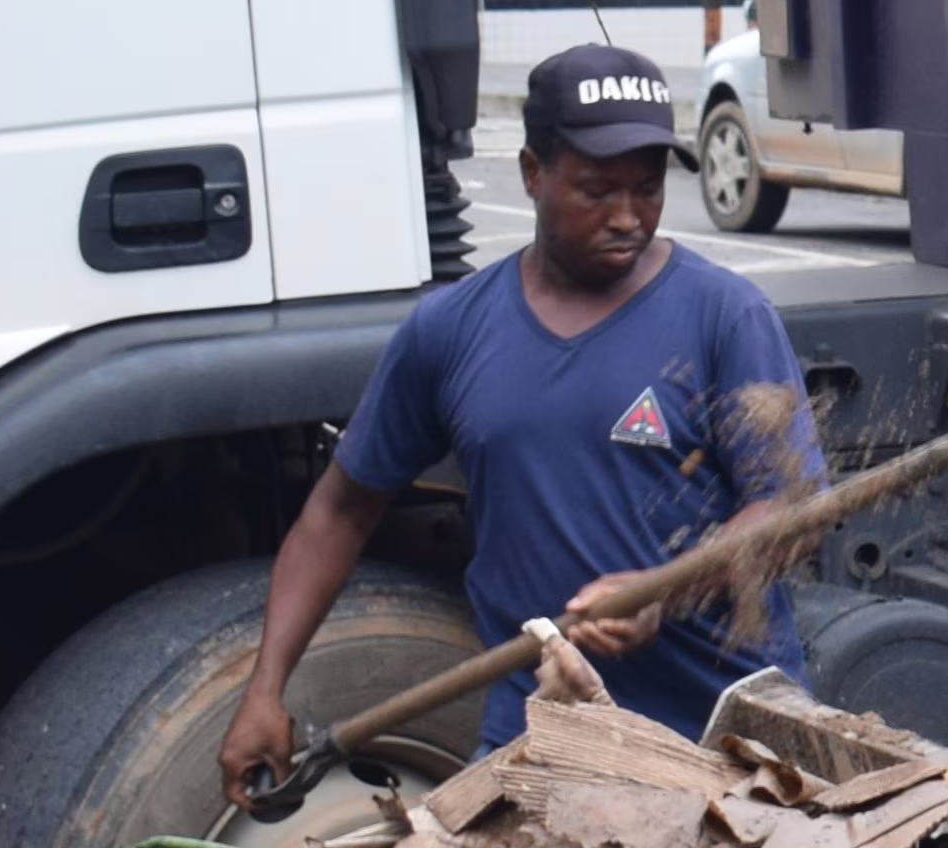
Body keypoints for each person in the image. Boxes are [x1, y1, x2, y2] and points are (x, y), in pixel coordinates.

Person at [222, 45, 823, 799]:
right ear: (534, 174)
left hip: (727, 740)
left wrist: (664, 591)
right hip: (543, 738)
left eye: (648, 188)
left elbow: (797, 514)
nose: (629, 216)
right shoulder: (449, 330)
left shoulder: (724, 315)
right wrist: (263, 691)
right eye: (598, 190)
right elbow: (339, 513)